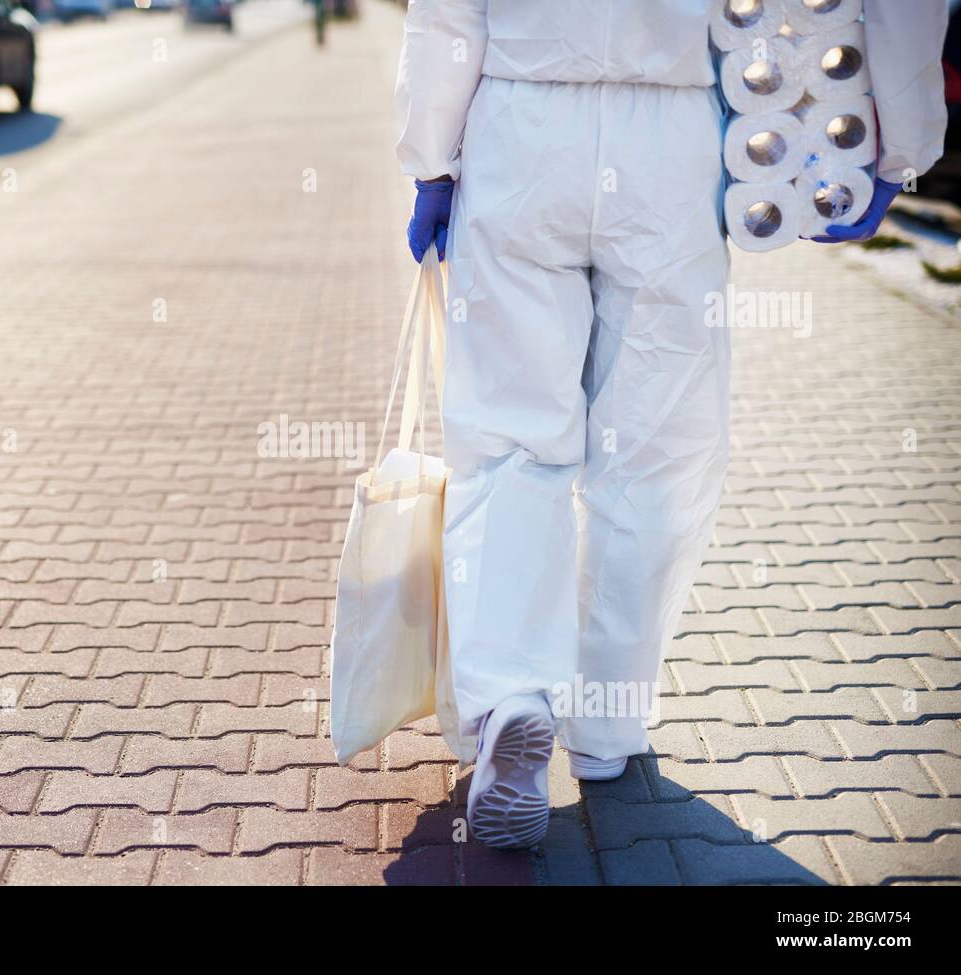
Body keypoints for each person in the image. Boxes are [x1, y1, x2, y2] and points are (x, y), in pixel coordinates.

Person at [395, 0, 948, 850]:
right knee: (654, 448)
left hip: (518, 117)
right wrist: (900, 144)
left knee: (510, 440)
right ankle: (608, 726)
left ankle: (512, 694)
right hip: (674, 132)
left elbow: (447, 13)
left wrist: (431, 157)